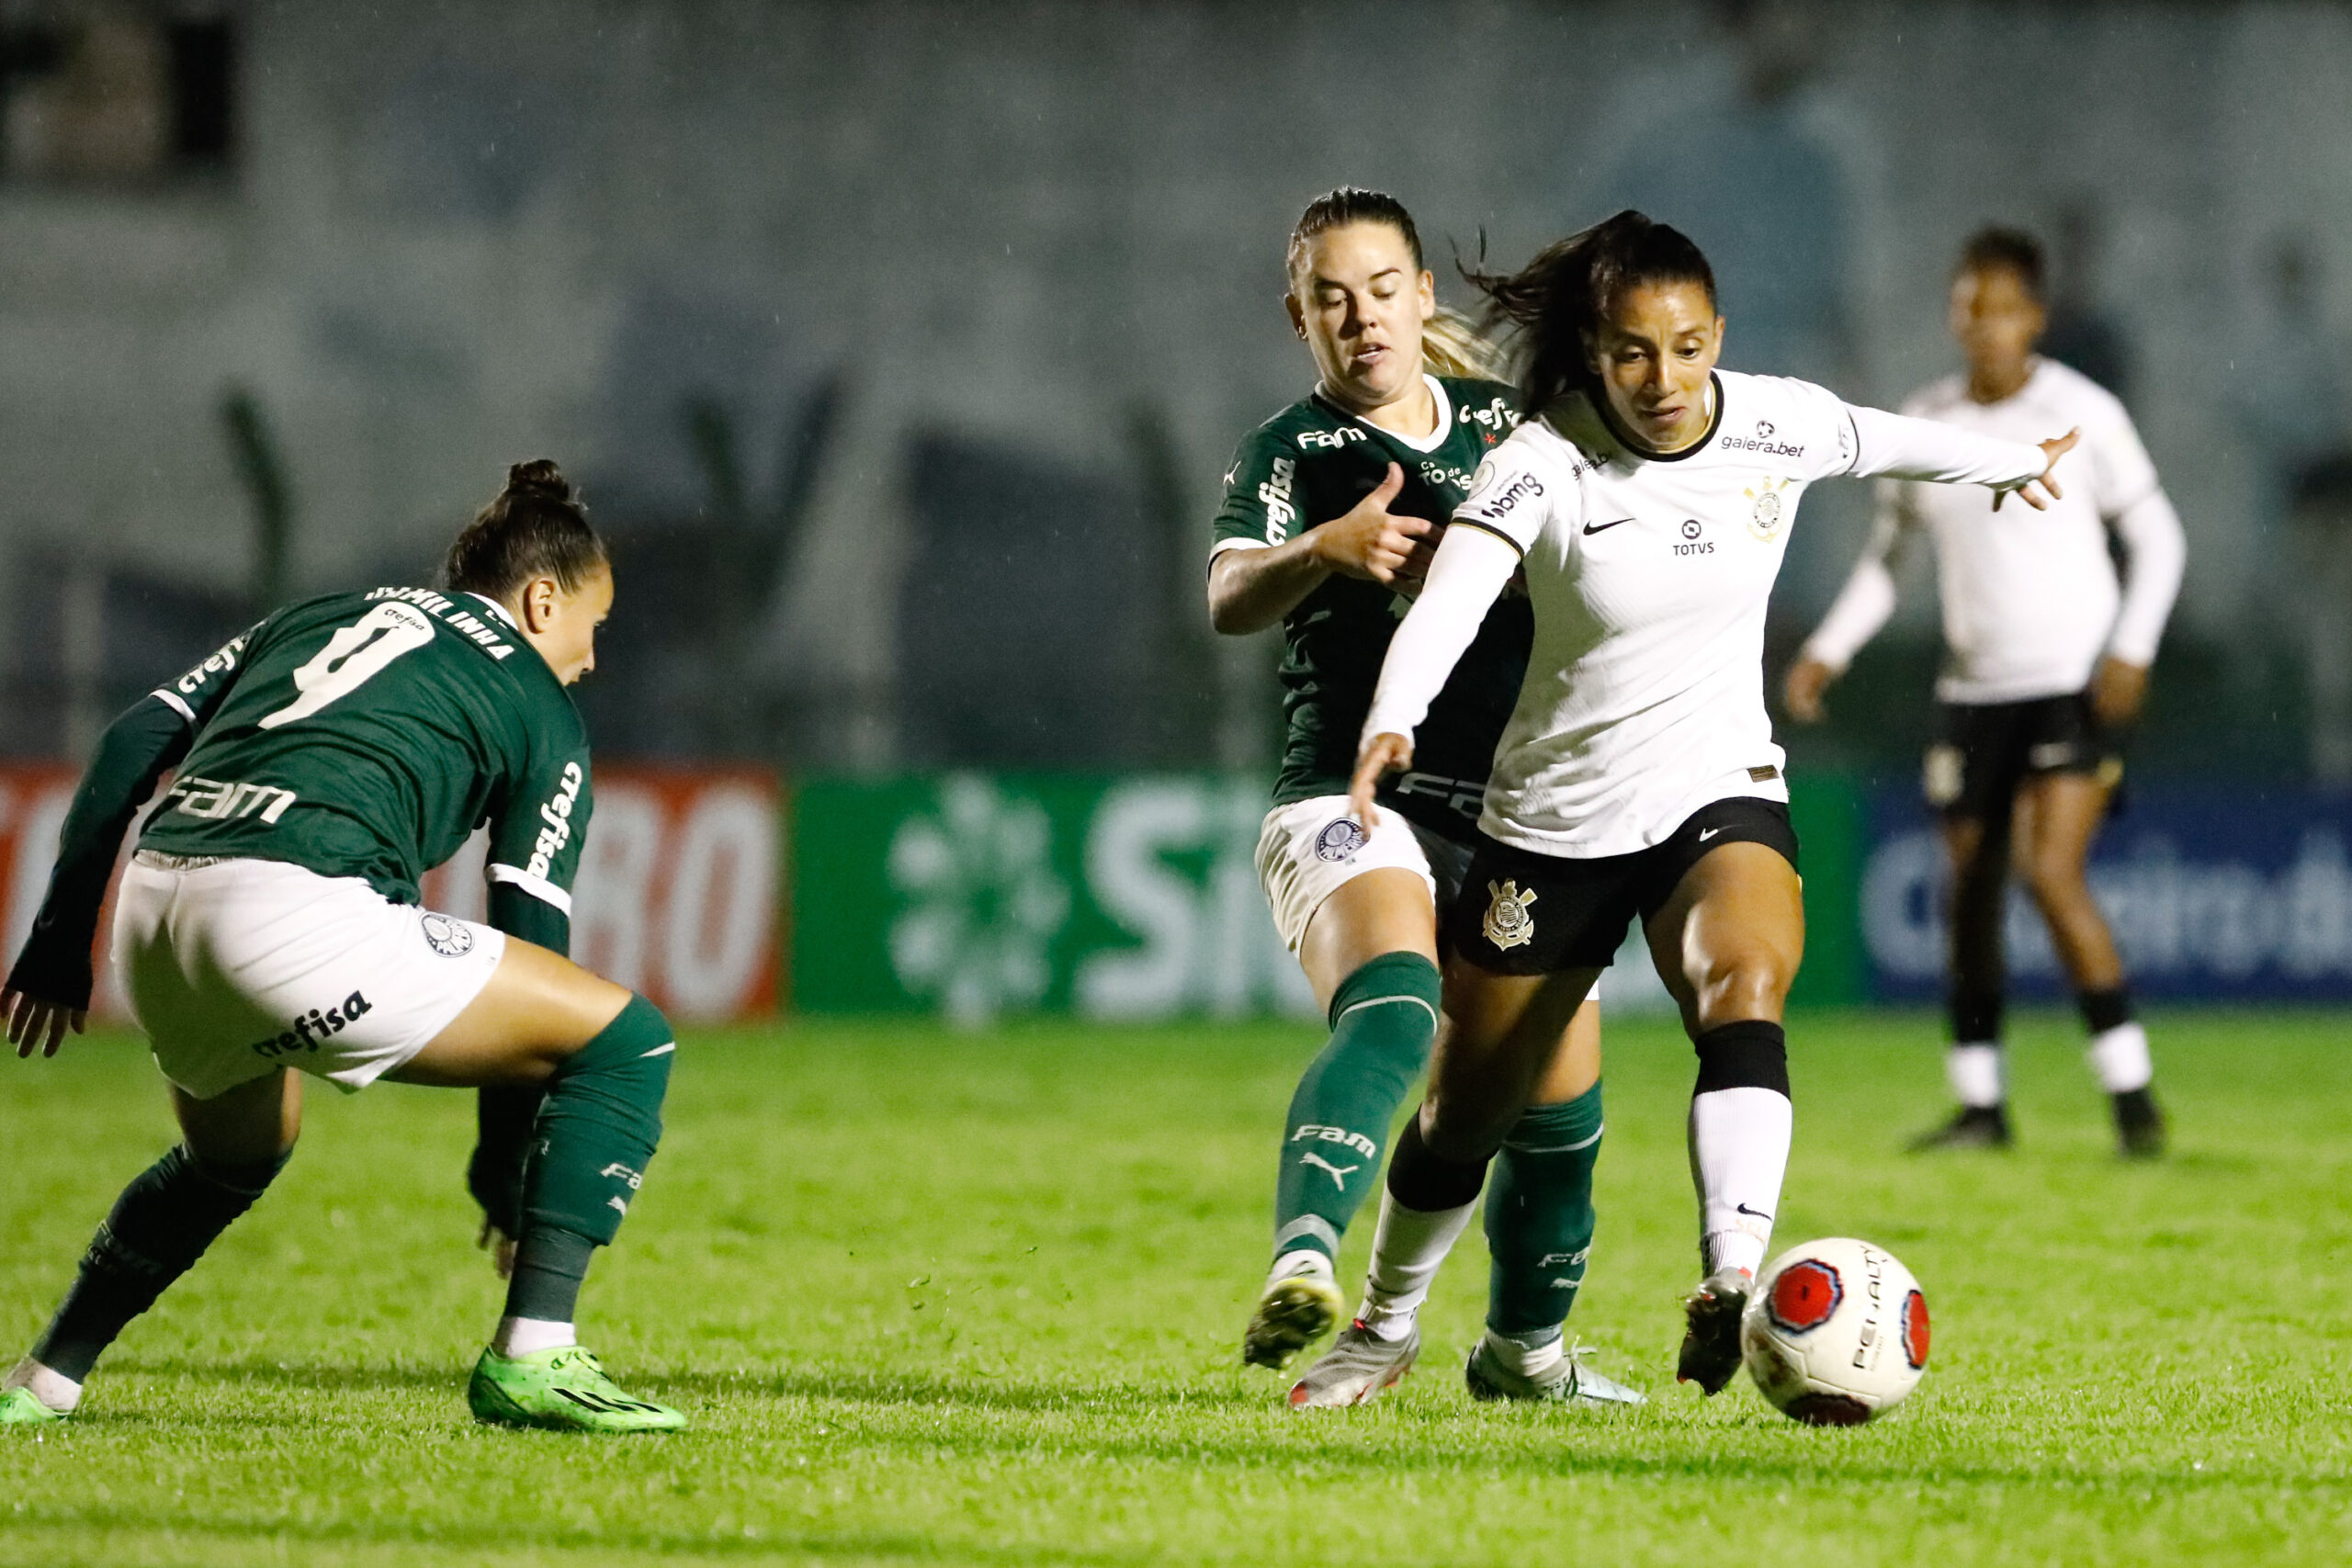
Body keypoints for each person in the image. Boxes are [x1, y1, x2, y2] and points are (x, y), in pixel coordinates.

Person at [1296, 210, 2074, 1401]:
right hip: (1555, 823)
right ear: (1593, 350)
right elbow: (1451, 603)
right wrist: (1392, 719)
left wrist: (2015, 462)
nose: (1665, 379)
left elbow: (1885, 438)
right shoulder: (1540, 461)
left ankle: (1730, 1274)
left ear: (1718, 334)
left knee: (1744, 981)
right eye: (1632, 353)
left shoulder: (1774, 419)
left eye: (1689, 345)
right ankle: (1386, 1323)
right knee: (1467, 1112)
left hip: (1719, 784)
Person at [0, 462, 686, 1434]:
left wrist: (58, 938)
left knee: (232, 1159)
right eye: (594, 626)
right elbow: (530, 930)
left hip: (154, 916)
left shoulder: (318, 614)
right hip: (294, 915)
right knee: (627, 1041)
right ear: (542, 600)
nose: (591, 657)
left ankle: (43, 1381)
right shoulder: (540, 706)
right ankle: (534, 1352)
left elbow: (131, 739)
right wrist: (505, 1169)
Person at [1210, 187, 1630, 1407]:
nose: (1363, 318)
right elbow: (1229, 594)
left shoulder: (1508, 422)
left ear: (1423, 295)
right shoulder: (1289, 451)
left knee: (1557, 1108)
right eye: (1333, 299)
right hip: (1349, 793)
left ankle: (1524, 1357)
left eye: (1384, 289)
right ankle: (1307, 1261)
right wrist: (1319, 552)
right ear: (1301, 315)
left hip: (1509, 813)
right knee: (1397, 1009)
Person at [1786, 227, 2187, 1156]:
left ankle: (2130, 1098)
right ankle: (1980, 1106)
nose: (1986, 326)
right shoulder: (1928, 421)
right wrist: (1831, 647)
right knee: (1968, 890)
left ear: (2033, 318)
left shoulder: (2082, 412)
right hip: (1971, 694)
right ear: (1954, 314)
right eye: (1970, 307)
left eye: (2004, 308)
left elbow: (2159, 539)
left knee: (2049, 874)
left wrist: (2130, 648)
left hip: (2067, 682)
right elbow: (1889, 560)